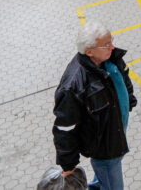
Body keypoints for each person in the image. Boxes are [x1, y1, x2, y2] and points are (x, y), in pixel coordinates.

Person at [53, 21, 135, 189]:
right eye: (106, 45)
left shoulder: (110, 57)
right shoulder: (73, 86)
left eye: (111, 41)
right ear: (89, 51)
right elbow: (65, 128)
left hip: (116, 130)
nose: (112, 47)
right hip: (105, 149)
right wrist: (68, 164)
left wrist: (130, 99)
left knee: (104, 178)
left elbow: (123, 77)